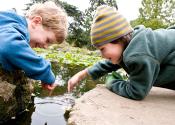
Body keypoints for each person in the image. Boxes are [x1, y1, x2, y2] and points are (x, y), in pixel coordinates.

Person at [67, 5, 175, 100]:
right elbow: (109, 63)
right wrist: (82, 74)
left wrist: (111, 80)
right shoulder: (132, 44)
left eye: (102, 49)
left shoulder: (138, 55)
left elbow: (136, 92)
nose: (101, 55)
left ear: (117, 39)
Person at [0, 1, 68, 90]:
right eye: (48, 40)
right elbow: (8, 46)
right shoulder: (14, 25)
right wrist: (45, 72)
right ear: (36, 22)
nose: (46, 47)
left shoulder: (10, 23)